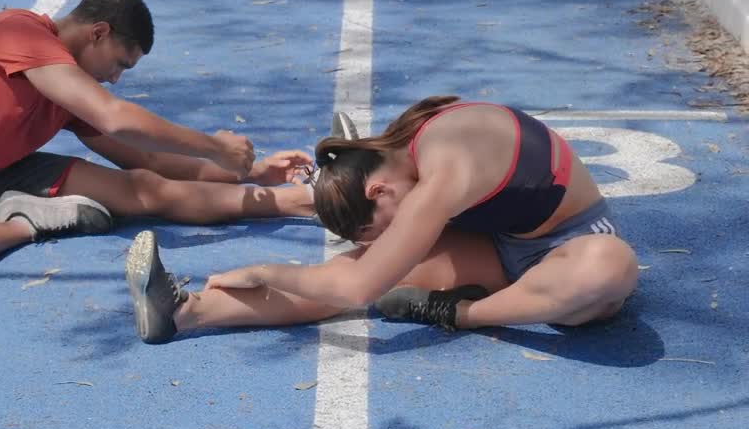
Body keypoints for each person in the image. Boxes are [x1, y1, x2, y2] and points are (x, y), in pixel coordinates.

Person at [0, 0, 315, 281]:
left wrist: (252, 172)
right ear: (98, 33)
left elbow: (152, 162)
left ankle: (304, 200)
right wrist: (215, 146)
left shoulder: (68, 88)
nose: (116, 78)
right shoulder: (16, 30)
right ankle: (27, 224)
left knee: (145, 190)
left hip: (10, 172)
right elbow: (115, 117)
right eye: (120, 64)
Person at [125, 96, 639, 343]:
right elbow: (349, 279)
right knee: (352, 272)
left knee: (608, 269)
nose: (389, 237)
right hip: (498, 243)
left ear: (378, 189)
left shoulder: (439, 179)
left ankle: (459, 312)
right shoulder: (403, 148)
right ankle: (186, 312)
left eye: (381, 225)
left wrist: (264, 271)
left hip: (569, 245)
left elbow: (358, 288)